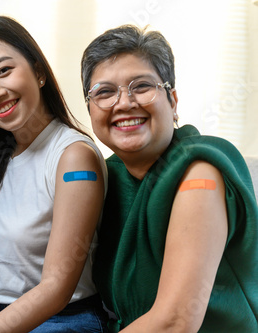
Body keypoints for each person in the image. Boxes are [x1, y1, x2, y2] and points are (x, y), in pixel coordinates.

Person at [81, 24, 258, 332]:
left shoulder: (200, 171)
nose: (124, 103)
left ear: (173, 101)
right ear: (91, 110)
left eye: (142, 86)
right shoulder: (107, 178)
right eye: (105, 92)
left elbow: (175, 322)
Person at [0, 15, 109, 332]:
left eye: (4, 71)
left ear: (38, 71)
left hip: (62, 321)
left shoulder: (74, 158)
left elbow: (56, 290)